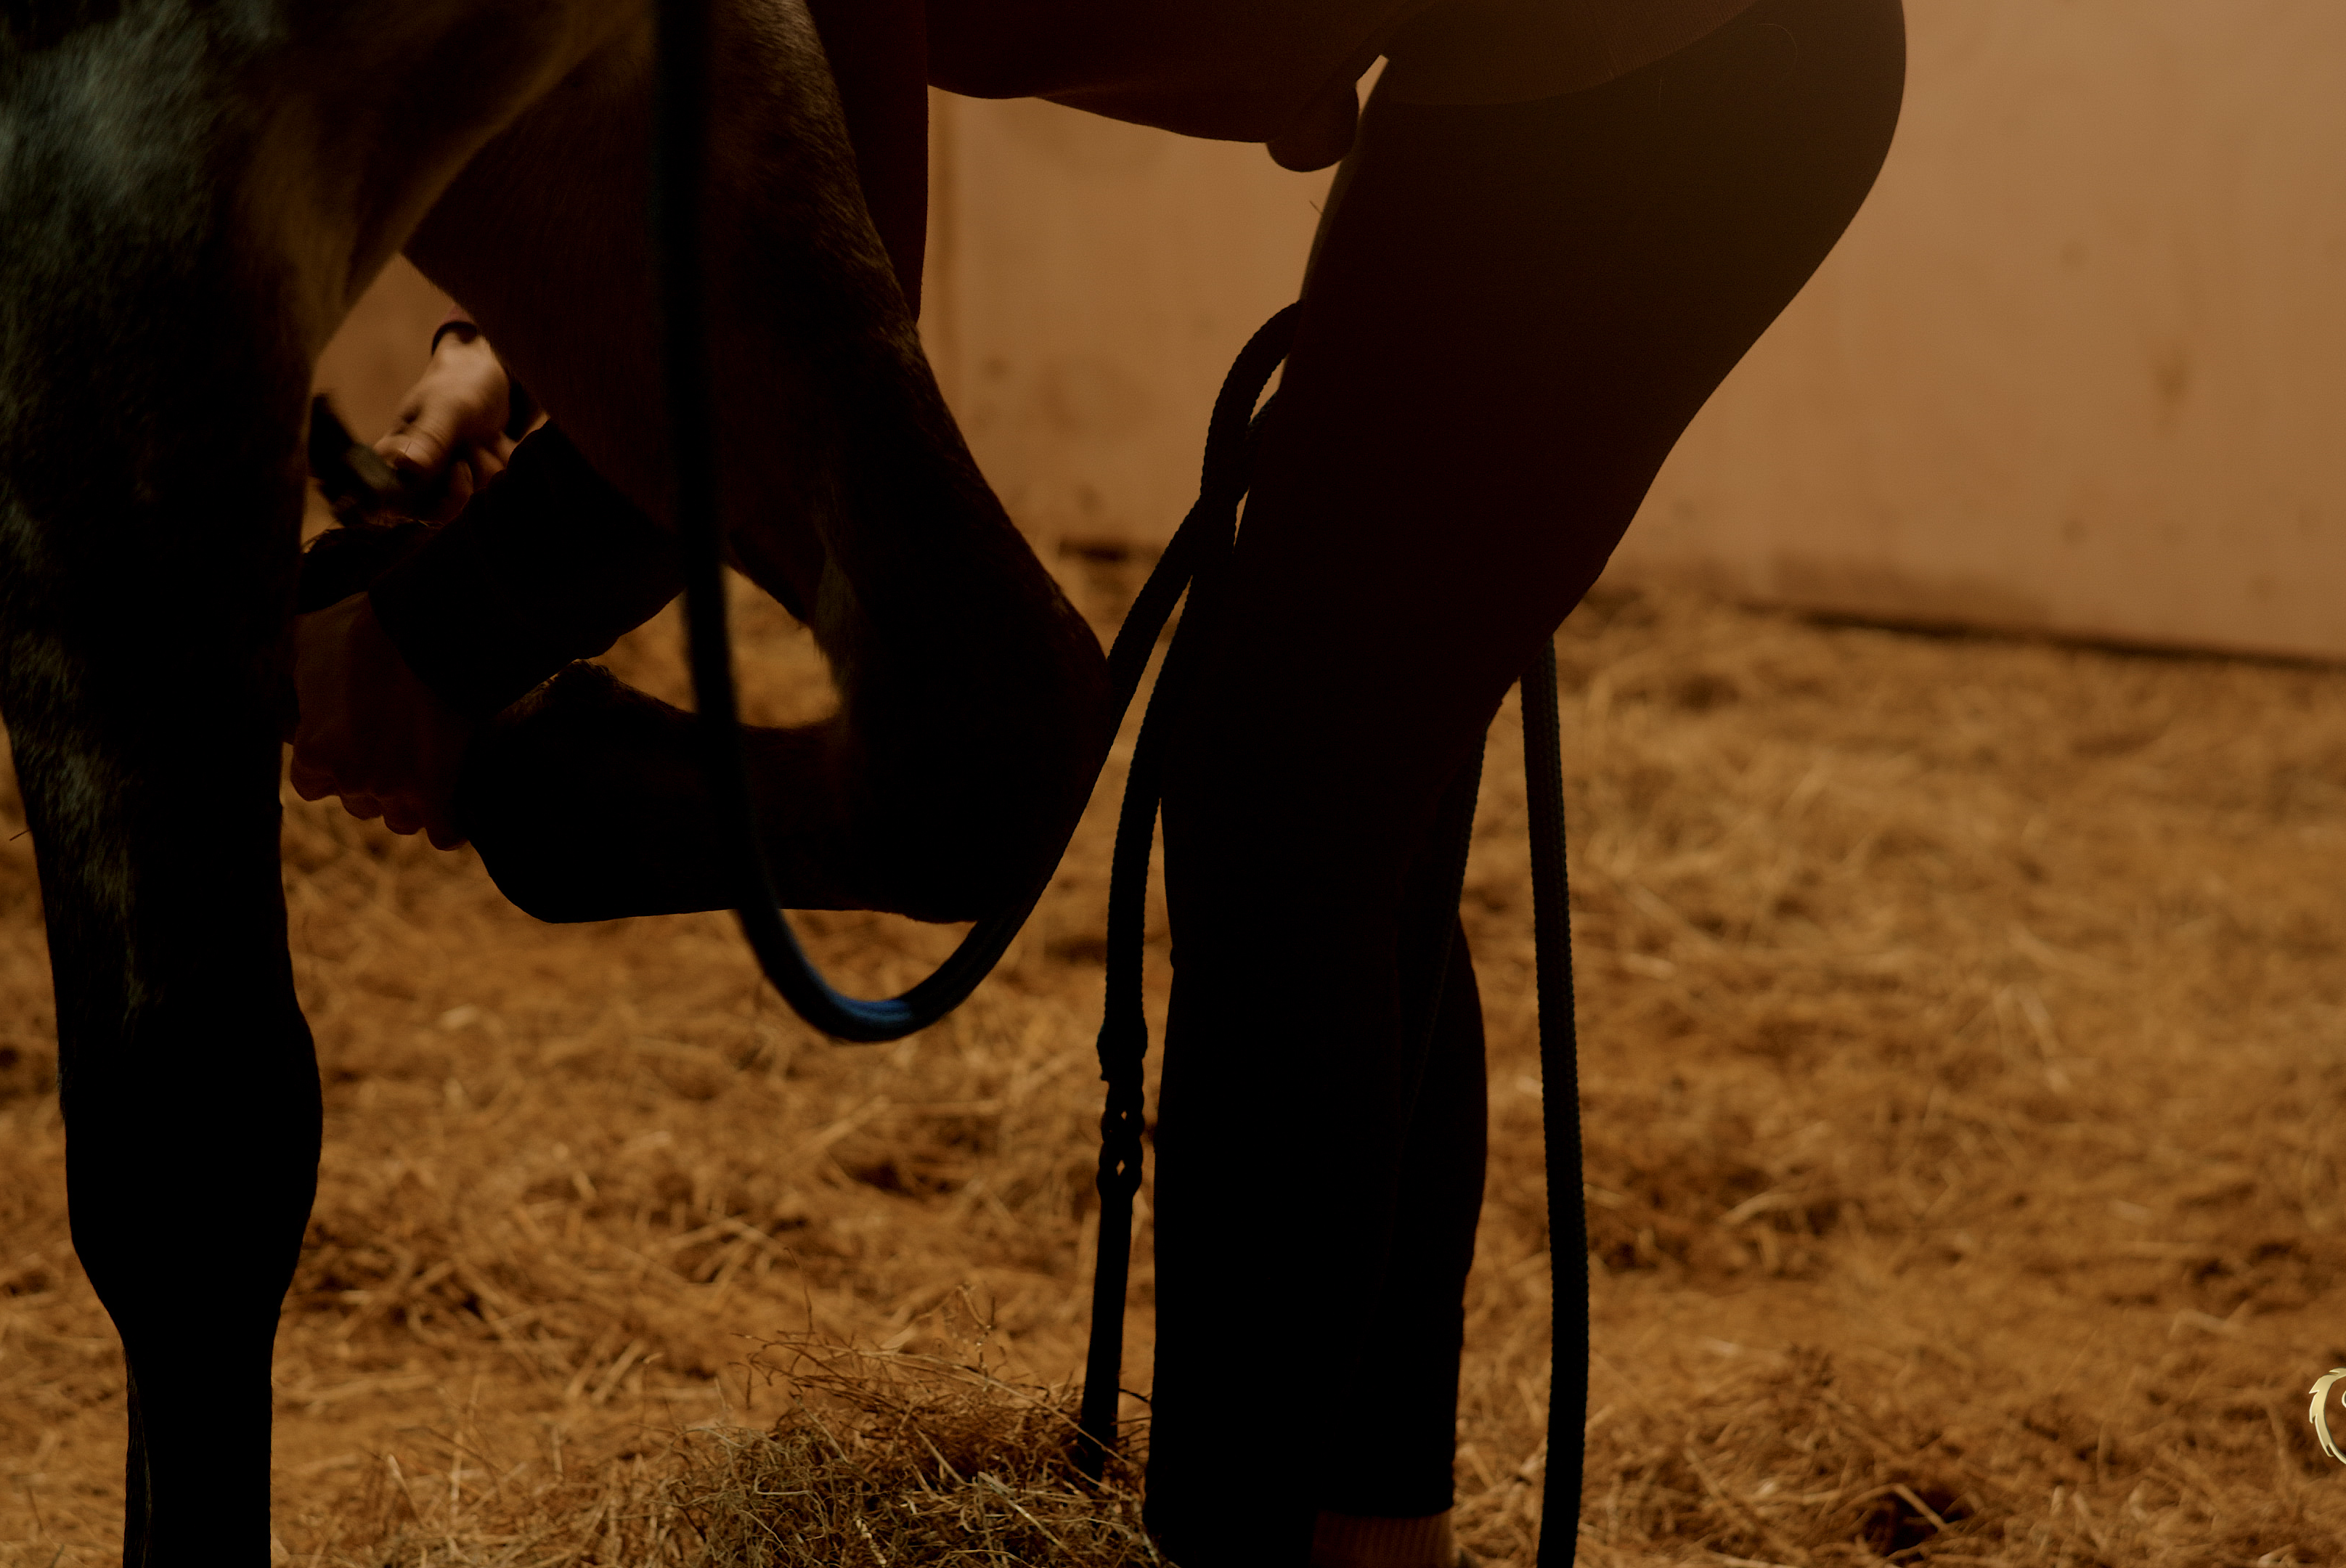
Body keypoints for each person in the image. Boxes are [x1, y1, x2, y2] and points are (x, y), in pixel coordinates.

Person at [288, 1, 1903, 1563]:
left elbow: (807, 352)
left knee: (1286, 809)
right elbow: (696, 119)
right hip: (1604, 65)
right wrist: (513, 347)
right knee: (1332, 788)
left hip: (1669, 68)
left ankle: (1260, 1545)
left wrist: (429, 645)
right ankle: (1367, 1538)